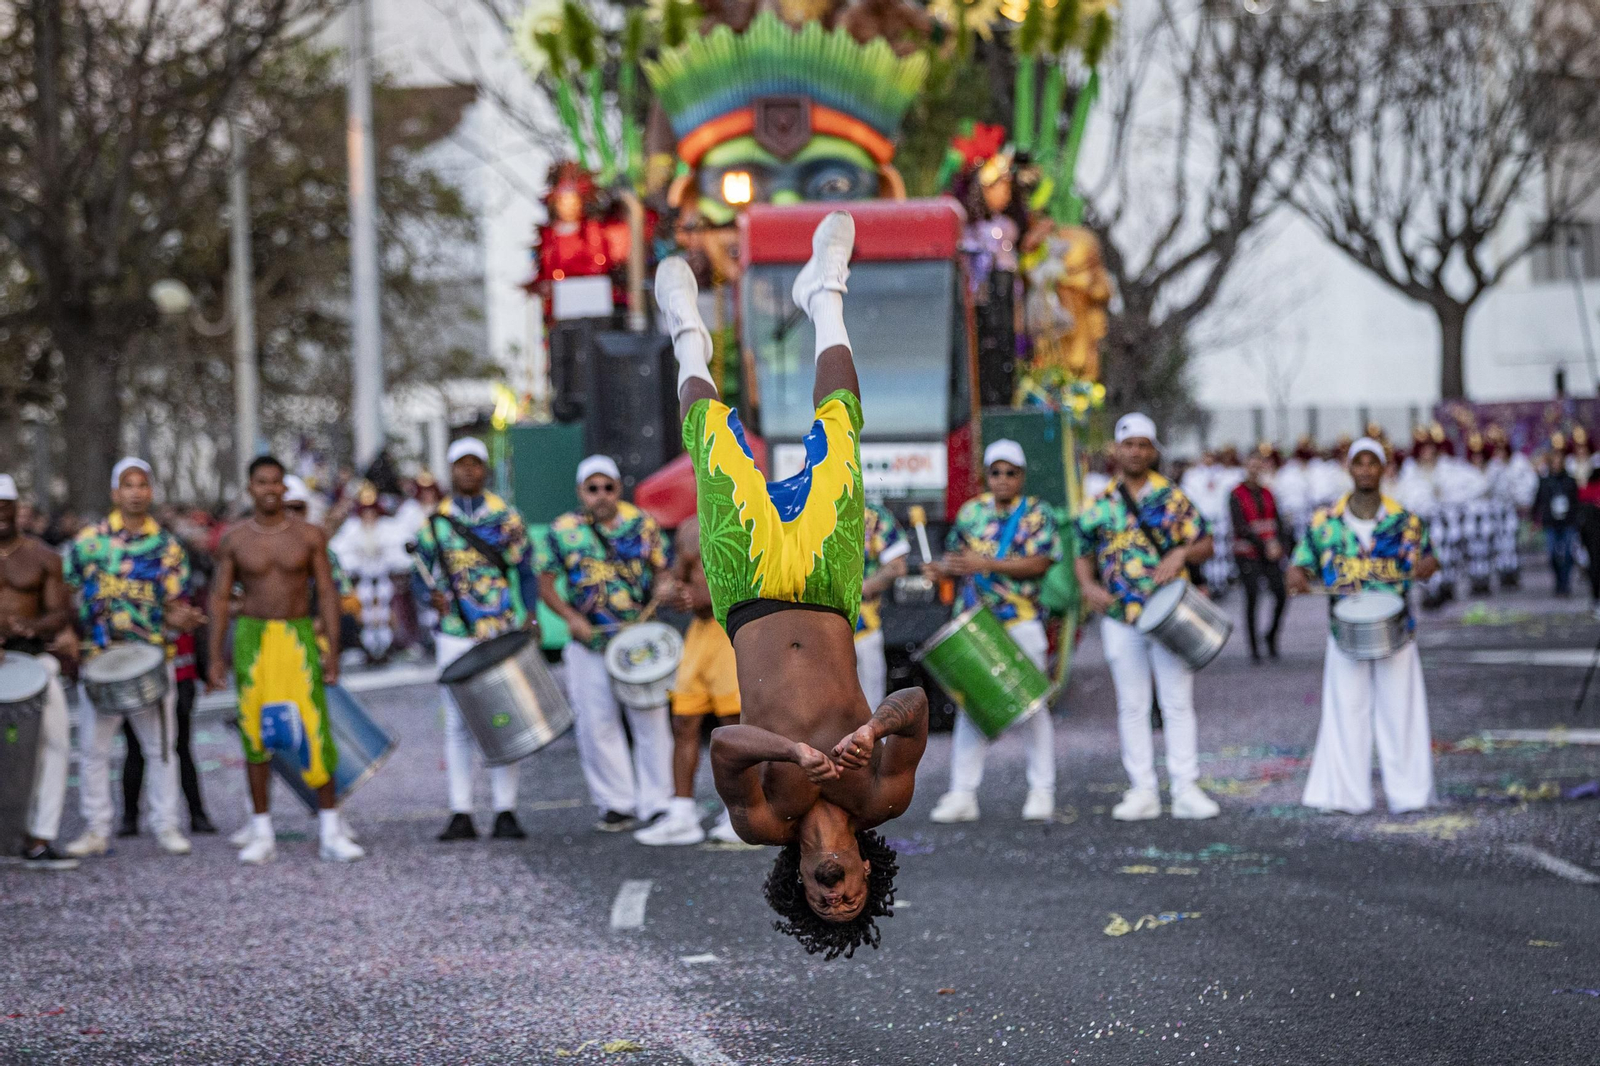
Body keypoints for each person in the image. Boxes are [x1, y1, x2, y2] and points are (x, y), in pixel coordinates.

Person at [659, 211, 930, 959]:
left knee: (713, 447)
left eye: (824, 898)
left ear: (802, 885)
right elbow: (915, 708)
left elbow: (724, 746)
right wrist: (872, 731)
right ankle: (825, 292)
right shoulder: (881, 795)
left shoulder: (765, 822)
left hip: (746, 594)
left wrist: (791, 750)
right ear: (868, 875)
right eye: (851, 897)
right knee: (842, 433)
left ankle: (686, 330)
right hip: (829, 584)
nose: (836, 891)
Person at [208, 455, 362, 864]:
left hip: (298, 636)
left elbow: (327, 592)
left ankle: (331, 829)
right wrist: (214, 658)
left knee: (314, 728)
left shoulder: (309, 535)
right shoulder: (236, 538)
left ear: (285, 488)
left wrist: (332, 648)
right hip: (253, 638)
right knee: (256, 733)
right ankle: (262, 833)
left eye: (277, 483)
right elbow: (220, 599)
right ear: (250, 488)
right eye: (262, 483)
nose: (271, 490)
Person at [1074, 414, 1220, 821]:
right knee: (1132, 705)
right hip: (1121, 615)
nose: (1136, 451)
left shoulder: (1172, 497)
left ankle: (1186, 788)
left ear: (1153, 451)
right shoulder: (1099, 502)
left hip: (1170, 613)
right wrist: (1088, 586)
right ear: (1116, 451)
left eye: (1143, 445)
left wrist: (1181, 553)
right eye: (1128, 445)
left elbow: (1205, 542)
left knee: (1176, 701)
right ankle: (1142, 790)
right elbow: (1081, 549)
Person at [1288, 438, 1439, 813]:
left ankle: (1410, 795)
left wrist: (1426, 567)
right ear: (1349, 468)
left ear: (1384, 469)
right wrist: (1296, 575)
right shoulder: (1325, 523)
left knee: (1400, 711)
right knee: (1346, 710)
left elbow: (1431, 559)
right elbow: (1300, 562)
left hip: (1397, 629)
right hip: (1345, 629)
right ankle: (1347, 796)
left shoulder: (1406, 521)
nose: (1366, 470)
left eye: (1374, 463)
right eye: (1360, 463)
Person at [60, 459, 200, 858]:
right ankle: (96, 828)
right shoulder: (88, 542)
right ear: (114, 492)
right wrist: (68, 631)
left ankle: (166, 826)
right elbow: (63, 592)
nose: (136, 491)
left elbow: (174, 603)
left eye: (143, 484)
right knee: (93, 749)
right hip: (100, 657)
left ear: (151, 491)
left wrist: (182, 617)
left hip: (151, 658)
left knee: (161, 747)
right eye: (128, 484)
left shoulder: (167, 546)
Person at [923, 439, 1061, 823]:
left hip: (1020, 620)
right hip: (978, 624)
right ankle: (963, 794)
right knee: (972, 707)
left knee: (1032, 707)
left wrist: (983, 563)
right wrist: (942, 569)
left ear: (1022, 476)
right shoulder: (971, 513)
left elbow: (1041, 562)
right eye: (996, 472)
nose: (1002, 479)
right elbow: (957, 560)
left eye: (1010, 472)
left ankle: (1041, 790)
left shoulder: (1037, 514)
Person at [412, 438, 540, 842]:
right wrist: (426, 595)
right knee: (457, 724)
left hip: (499, 627)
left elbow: (525, 570)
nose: (468, 470)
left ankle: (505, 810)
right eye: (460, 464)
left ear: (485, 469)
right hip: (454, 632)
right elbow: (419, 574)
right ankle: (460, 811)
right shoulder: (436, 520)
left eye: (475, 463)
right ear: (451, 470)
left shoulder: (506, 518)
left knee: (506, 717)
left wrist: (530, 613)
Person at [539, 454, 674, 833]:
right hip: (589, 644)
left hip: (638, 641)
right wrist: (572, 619)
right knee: (597, 724)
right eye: (592, 488)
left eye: (607, 487)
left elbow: (662, 570)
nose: (601, 495)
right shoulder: (562, 530)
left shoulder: (642, 524)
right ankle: (617, 803)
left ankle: (657, 801)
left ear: (618, 489)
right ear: (581, 492)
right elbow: (546, 585)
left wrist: (663, 586)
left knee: (650, 719)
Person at [633, 516, 742, 846]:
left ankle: (738, 815)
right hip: (700, 633)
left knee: (733, 728)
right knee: (682, 722)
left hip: (731, 629)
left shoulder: (746, 519)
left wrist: (700, 598)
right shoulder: (689, 528)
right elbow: (676, 577)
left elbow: (750, 581)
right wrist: (671, 591)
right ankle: (682, 816)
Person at [0, 474, 77, 869]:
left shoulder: (43, 557)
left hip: (33, 661)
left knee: (55, 744)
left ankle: (40, 837)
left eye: (4, 505)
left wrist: (33, 627)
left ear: (17, 509)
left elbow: (60, 610)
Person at [1229, 449, 1291, 662]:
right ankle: (1254, 648)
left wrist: (1280, 545)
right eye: (1251, 465)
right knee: (1252, 597)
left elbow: (1279, 521)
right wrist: (1266, 544)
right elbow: (1241, 526)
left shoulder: (1268, 493)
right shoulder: (1236, 494)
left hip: (1270, 552)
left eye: (1258, 465)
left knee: (1281, 595)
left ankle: (1271, 637)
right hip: (1248, 553)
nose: (1255, 469)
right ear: (1246, 467)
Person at [854, 500, 910, 711]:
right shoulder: (806, 508)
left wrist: (864, 587)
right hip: (818, 632)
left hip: (863, 627)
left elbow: (896, 566)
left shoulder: (872, 515)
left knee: (870, 713)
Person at [1533, 445, 1580, 598]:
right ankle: (1558, 581)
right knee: (1553, 554)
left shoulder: (1570, 481)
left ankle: (1565, 583)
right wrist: (1535, 520)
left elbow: (1576, 502)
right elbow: (1538, 501)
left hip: (1567, 522)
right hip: (1551, 522)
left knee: (1567, 554)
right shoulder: (1545, 482)